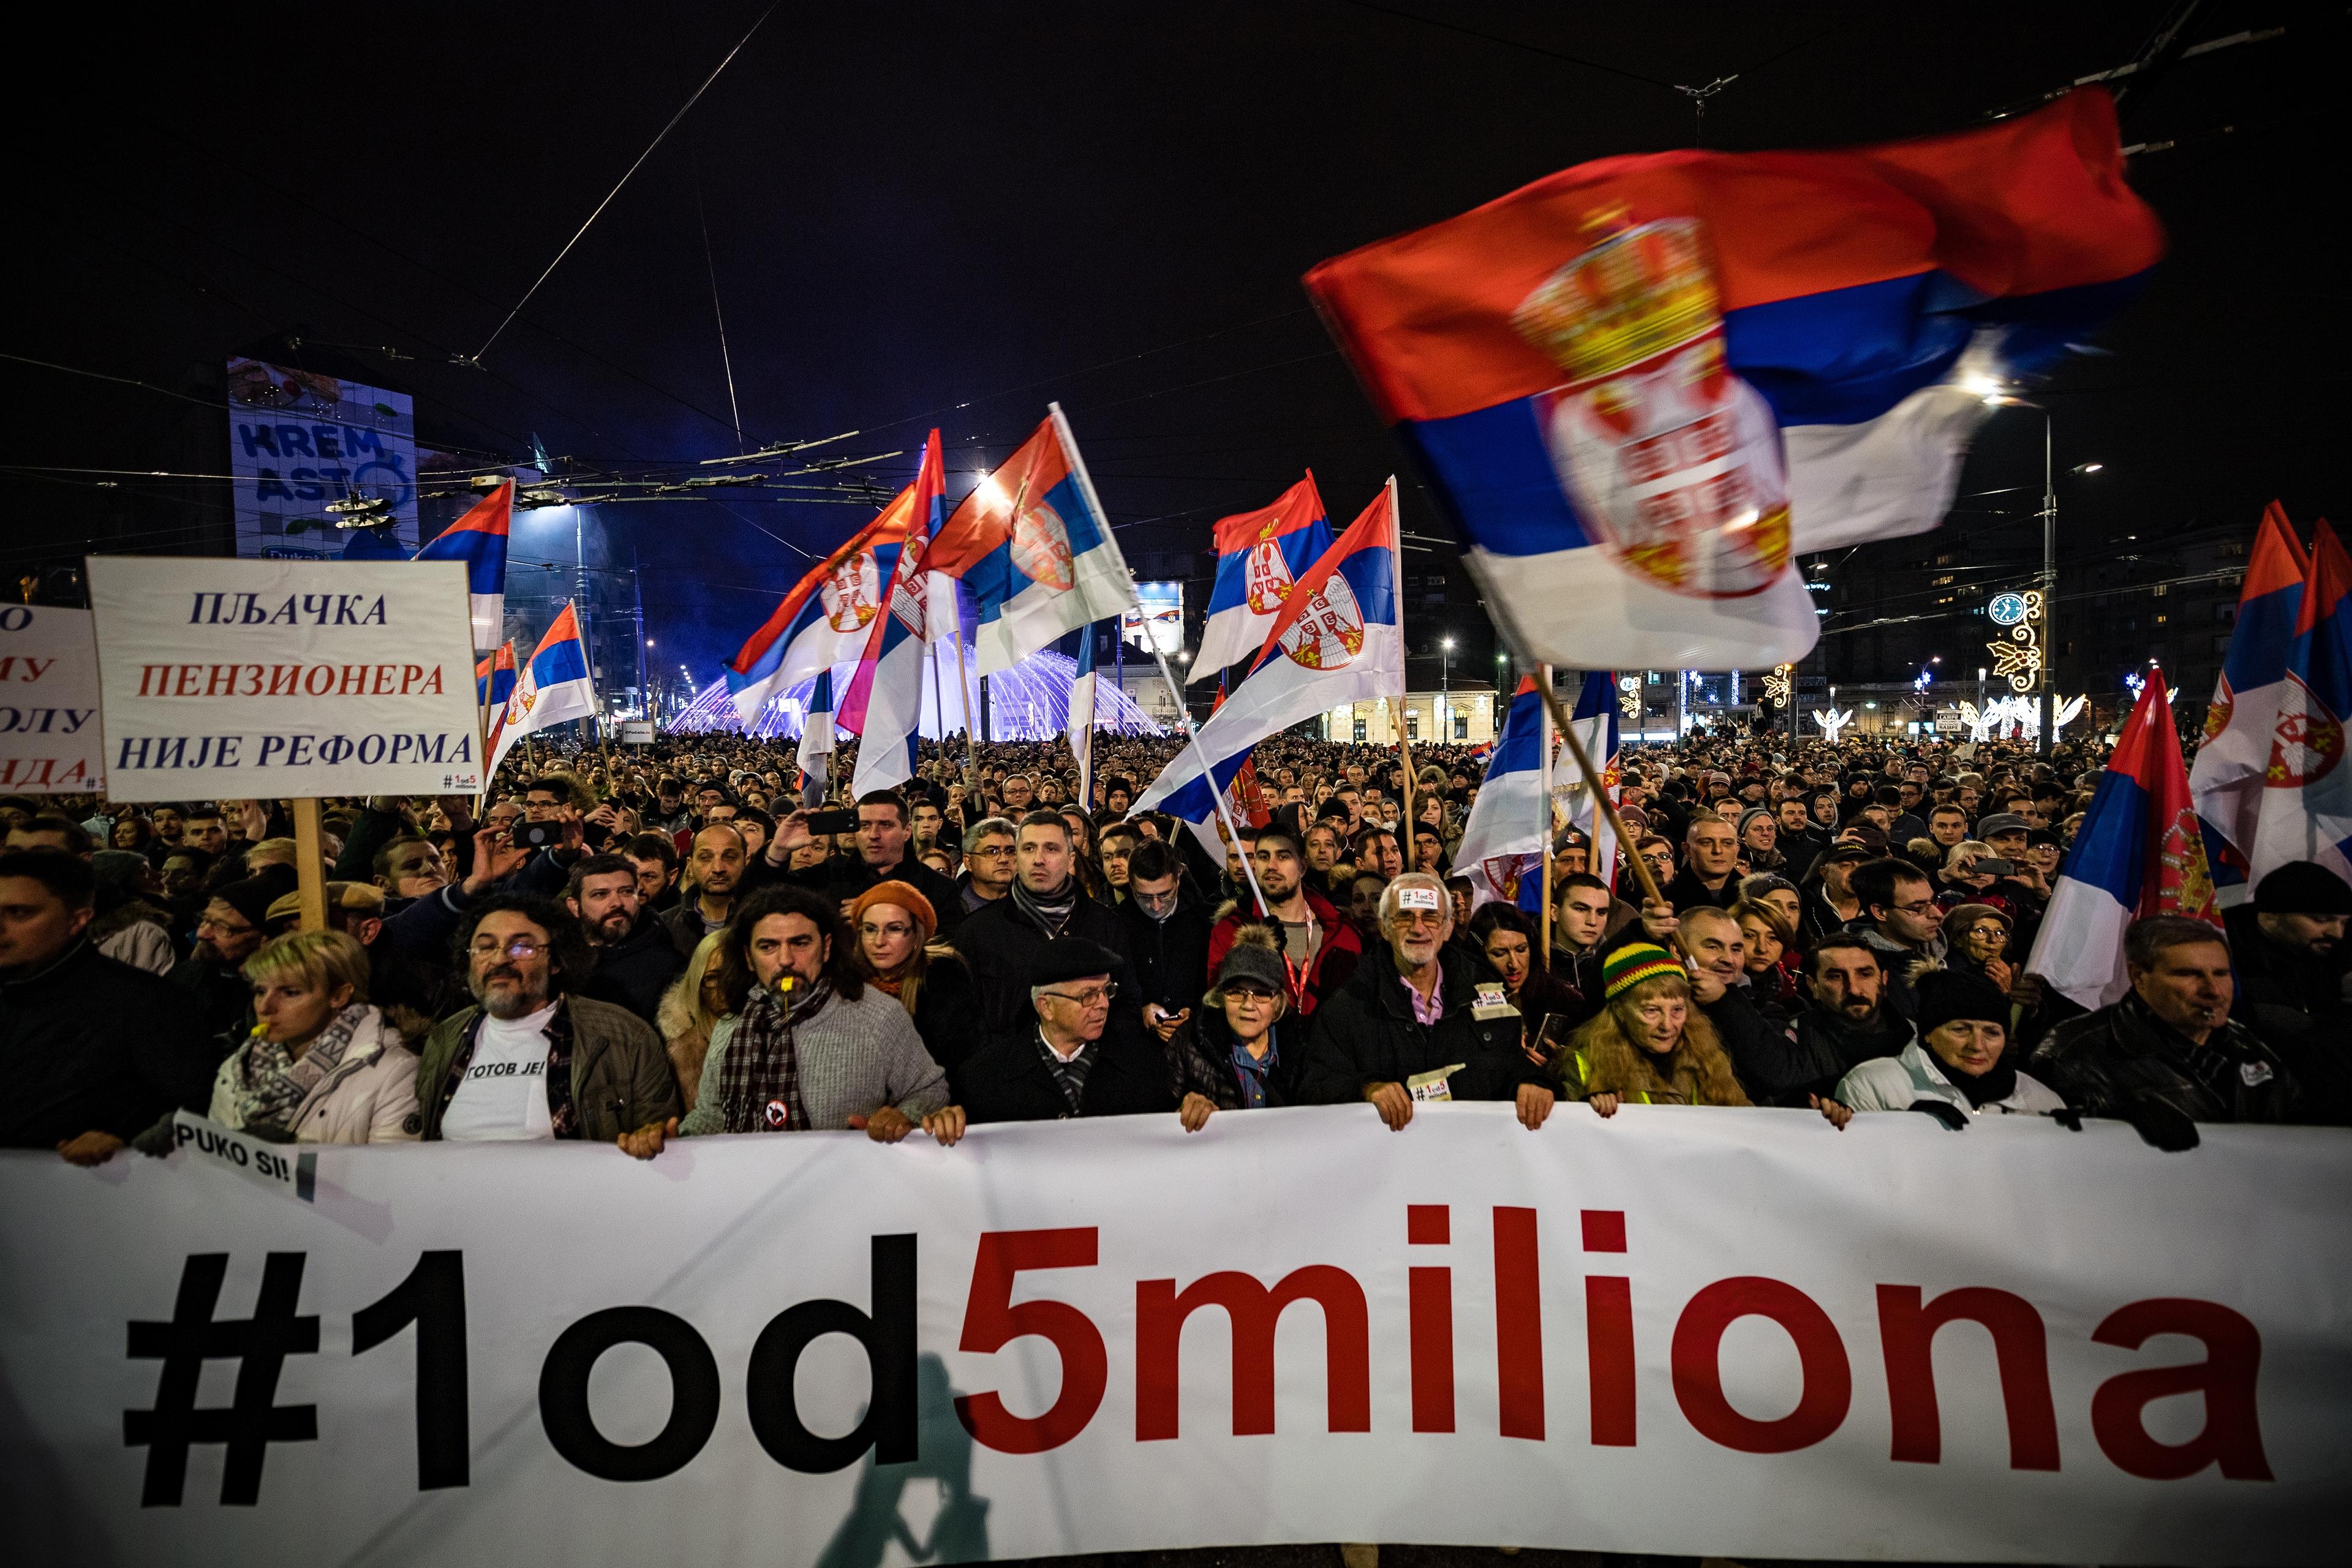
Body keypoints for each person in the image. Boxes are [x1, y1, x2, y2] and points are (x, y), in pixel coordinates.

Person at [669, 884, 959, 1145]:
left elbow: (929, 1091)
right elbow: (710, 1116)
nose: (785, 960)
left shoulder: (878, 1016)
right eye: (768, 946)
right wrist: (672, 1142)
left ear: (827, 948)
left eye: (801, 943)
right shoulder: (732, 1024)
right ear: (748, 957)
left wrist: (903, 1116)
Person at [414, 895, 684, 1152]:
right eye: (485, 947)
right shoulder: (445, 1039)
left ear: (556, 961)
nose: (499, 959)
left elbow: (656, 1129)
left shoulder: (624, 1036)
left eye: (522, 947)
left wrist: (649, 1137)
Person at [0, 848, 216, 1163]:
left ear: (78, 920)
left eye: (19, 913)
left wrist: (127, 1138)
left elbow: (197, 1112)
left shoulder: (148, 1004)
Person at [1297, 872, 1555, 1131]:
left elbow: (1511, 1061)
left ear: (1448, 927)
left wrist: (1531, 1081)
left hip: (1473, 1155)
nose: (1418, 928)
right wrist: (1365, 1088)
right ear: (1384, 927)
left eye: (1430, 917)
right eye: (1404, 917)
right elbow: (1314, 1086)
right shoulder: (1349, 1004)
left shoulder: (1485, 989)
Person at [2030, 915, 2300, 1150]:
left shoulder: (2251, 1046)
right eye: (2189, 975)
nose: (2214, 990)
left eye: (2221, 973)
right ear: (2138, 976)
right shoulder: (2072, 1053)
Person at [205, 930, 420, 1143]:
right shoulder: (239, 1067)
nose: (265, 1006)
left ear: (339, 996)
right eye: (260, 991)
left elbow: (389, 1171)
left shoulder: (394, 1072)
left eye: (290, 993)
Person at [951, 812, 1138, 1036]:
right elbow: (962, 1020)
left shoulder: (1106, 925)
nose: (1039, 859)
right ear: (1018, 856)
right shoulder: (976, 932)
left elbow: (1127, 1007)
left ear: (1071, 858)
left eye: (1051, 849)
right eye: (1029, 848)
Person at [959, 937, 1175, 1122]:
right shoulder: (986, 1077)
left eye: (1107, 991)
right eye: (1088, 995)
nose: (1103, 1004)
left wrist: (1187, 1112)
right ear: (1046, 1007)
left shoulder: (1144, 1065)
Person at [1825, 969, 2064, 1125]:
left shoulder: (2040, 1100)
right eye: (1961, 1030)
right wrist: (1911, 1128)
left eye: (1992, 1033)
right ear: (1928, 1034)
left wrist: (2074, 1140)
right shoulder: (1872, 1084)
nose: (1977, 1046)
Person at [2222, 862, 2351, 1125]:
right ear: (2270, 917)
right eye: (2320, 920)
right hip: (2253, 1108)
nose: (2336, 933)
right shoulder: (2220, 951)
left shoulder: (2342, 952)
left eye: (2343, 922)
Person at [1556, 943, 1751, 1114]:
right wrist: (1590, 1112)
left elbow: (1746, 1125)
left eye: (1677, 1010)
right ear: (1619, 1010)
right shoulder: (1585, 1067)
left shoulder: (1708, 1059)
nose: (1667, 1025)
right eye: (1652, 1011)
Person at [1204, 826, 1360, 1019]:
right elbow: (1219, 1005)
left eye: (1283, 856)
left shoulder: (1341, 930)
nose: (1271, 866)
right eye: (1263, 857)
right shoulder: (1230, 931)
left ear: (1303, 867)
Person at [850, 880, 986, 1091]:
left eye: (894, 929)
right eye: (870, 929)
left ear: (916, 936)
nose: (879, 941)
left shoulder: (944, 981)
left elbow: (957, 1063)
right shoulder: (846, 984)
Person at [764, 791, 964, 930]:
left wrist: (880, 912)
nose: (873, 835)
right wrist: (779, 849)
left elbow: (945, 958)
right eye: (865, 826)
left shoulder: (940, 889)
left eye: (885, 825)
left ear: (907, 832)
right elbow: (762, 898)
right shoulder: (829, 874)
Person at [1170, 928, 1302, 1129]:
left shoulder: (1301, 1049)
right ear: (1221, 997)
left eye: (1261, 993)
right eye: (1237, 992)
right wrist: (1184, 1108)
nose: (1248, 1005)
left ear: (1277, 1003)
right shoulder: (1189, 1043)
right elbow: (1155, 1114)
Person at [172, 867, 295, 1043]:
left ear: (265, 939)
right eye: (204, 920)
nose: (202, 934)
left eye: (222, 928)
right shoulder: (184, 977)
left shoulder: (276, 999)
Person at [568, 852, 687, 1025]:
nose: (617, 903)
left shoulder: (670, 967)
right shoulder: (559, 962)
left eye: (626, 892)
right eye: (601, 894)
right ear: (574, 906)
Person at [1119, 840, 1213, 1053]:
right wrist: (1140, 1010)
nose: (1156, 906)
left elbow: (1218, 984)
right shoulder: (1115, 925)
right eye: (1144, 897)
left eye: (1164, 895)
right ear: (1131, 884)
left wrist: (1195, 1013)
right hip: (1138, 1048)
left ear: (1178, 879)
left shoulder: (1205, 921)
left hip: (1197, 1047)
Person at [1466, 902, 1583, 1066]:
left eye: (1521, 950)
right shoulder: (1460, 1004)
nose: (1514, 964)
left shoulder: (1565, 1001)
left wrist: (1563, 1064)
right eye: (1500, 954)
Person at [1847, 857, 1945, 1017]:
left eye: (1934, 901)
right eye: (1919, 908)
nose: (1938, 915)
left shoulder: (1955, 953)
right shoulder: (1868, 976)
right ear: (1880, 912)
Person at [655, 932, 726, 1109]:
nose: (725, 986)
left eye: (731, 974)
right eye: (712, 978)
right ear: (697, 982)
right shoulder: (680, 1052)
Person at [659, 823, 748, 959]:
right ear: (690, 865)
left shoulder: (761, 922)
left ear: (745, 862)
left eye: (730, 857)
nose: (718, 868)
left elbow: (786, 979)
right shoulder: (665, 926)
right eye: (705, 858)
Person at [1666, 818, 1741, 911]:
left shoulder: (1758, 896)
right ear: (1687, 850)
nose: (1717, 850)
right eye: (1706, 843)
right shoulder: (1664, 901)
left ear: (1737, 850)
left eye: (1727, 843)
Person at [956, 816, 1018, 914]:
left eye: (1010, 851)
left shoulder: (1035, 904)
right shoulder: (949, 908)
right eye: (992, 852)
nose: (1004, 859)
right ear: (968, 863)